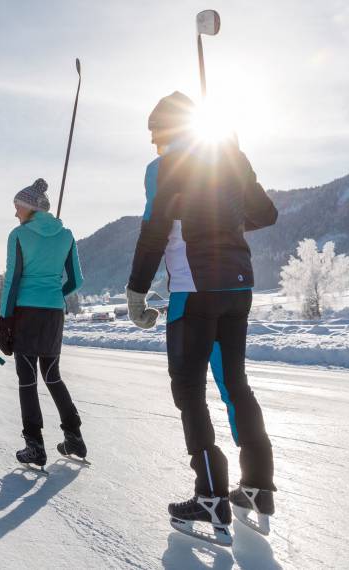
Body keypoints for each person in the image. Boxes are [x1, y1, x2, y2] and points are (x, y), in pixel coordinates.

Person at [126, 92, 278, 544]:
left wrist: (136, 290)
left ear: (164, 133)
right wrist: (228, 188)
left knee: (189, 390)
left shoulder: (163, 168)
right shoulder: (229, 156)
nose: (155, 148)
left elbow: (153, 229)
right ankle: (257, 488)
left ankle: (210, 496)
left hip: (194, 289)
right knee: (235, 384)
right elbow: (264, 213)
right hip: (238, 286)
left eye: (155, 138)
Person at [0, 178, 86, 470]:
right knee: (52, 374)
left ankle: (34, 445)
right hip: (53, 313)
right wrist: (53, 296)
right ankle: (73, 435)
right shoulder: (67, 234)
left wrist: (4, 320)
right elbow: (76, 280)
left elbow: (12, 280)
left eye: (16, 207)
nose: (15, 214)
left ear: (27, 207)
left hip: (25, 312)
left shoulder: (19, 235)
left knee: (27, 379)